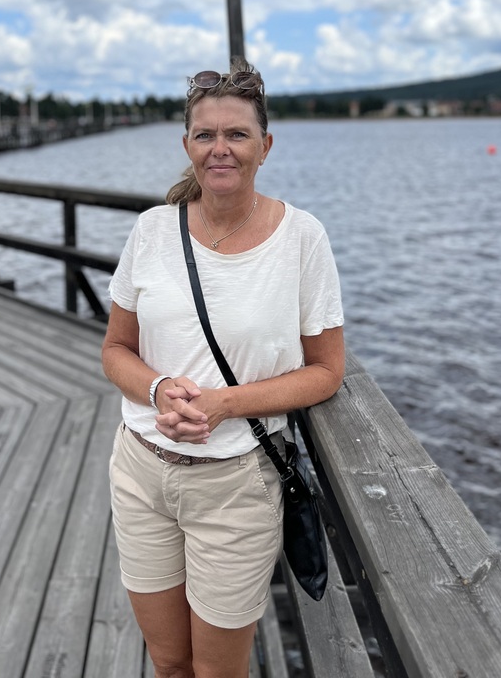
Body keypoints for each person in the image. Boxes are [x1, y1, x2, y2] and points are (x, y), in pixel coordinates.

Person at [102, 58, 344, 678]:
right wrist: (158, 389)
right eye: (205, 135)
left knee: (218, 673)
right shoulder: (152, 231)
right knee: (169, 660)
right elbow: (115, 350)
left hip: (236, 485)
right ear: (187, 145)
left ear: (265, 145)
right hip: (140, 471)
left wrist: (223, 404)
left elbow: (326, 371)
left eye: (237, 134)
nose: (220, 149)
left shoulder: (301, 238)